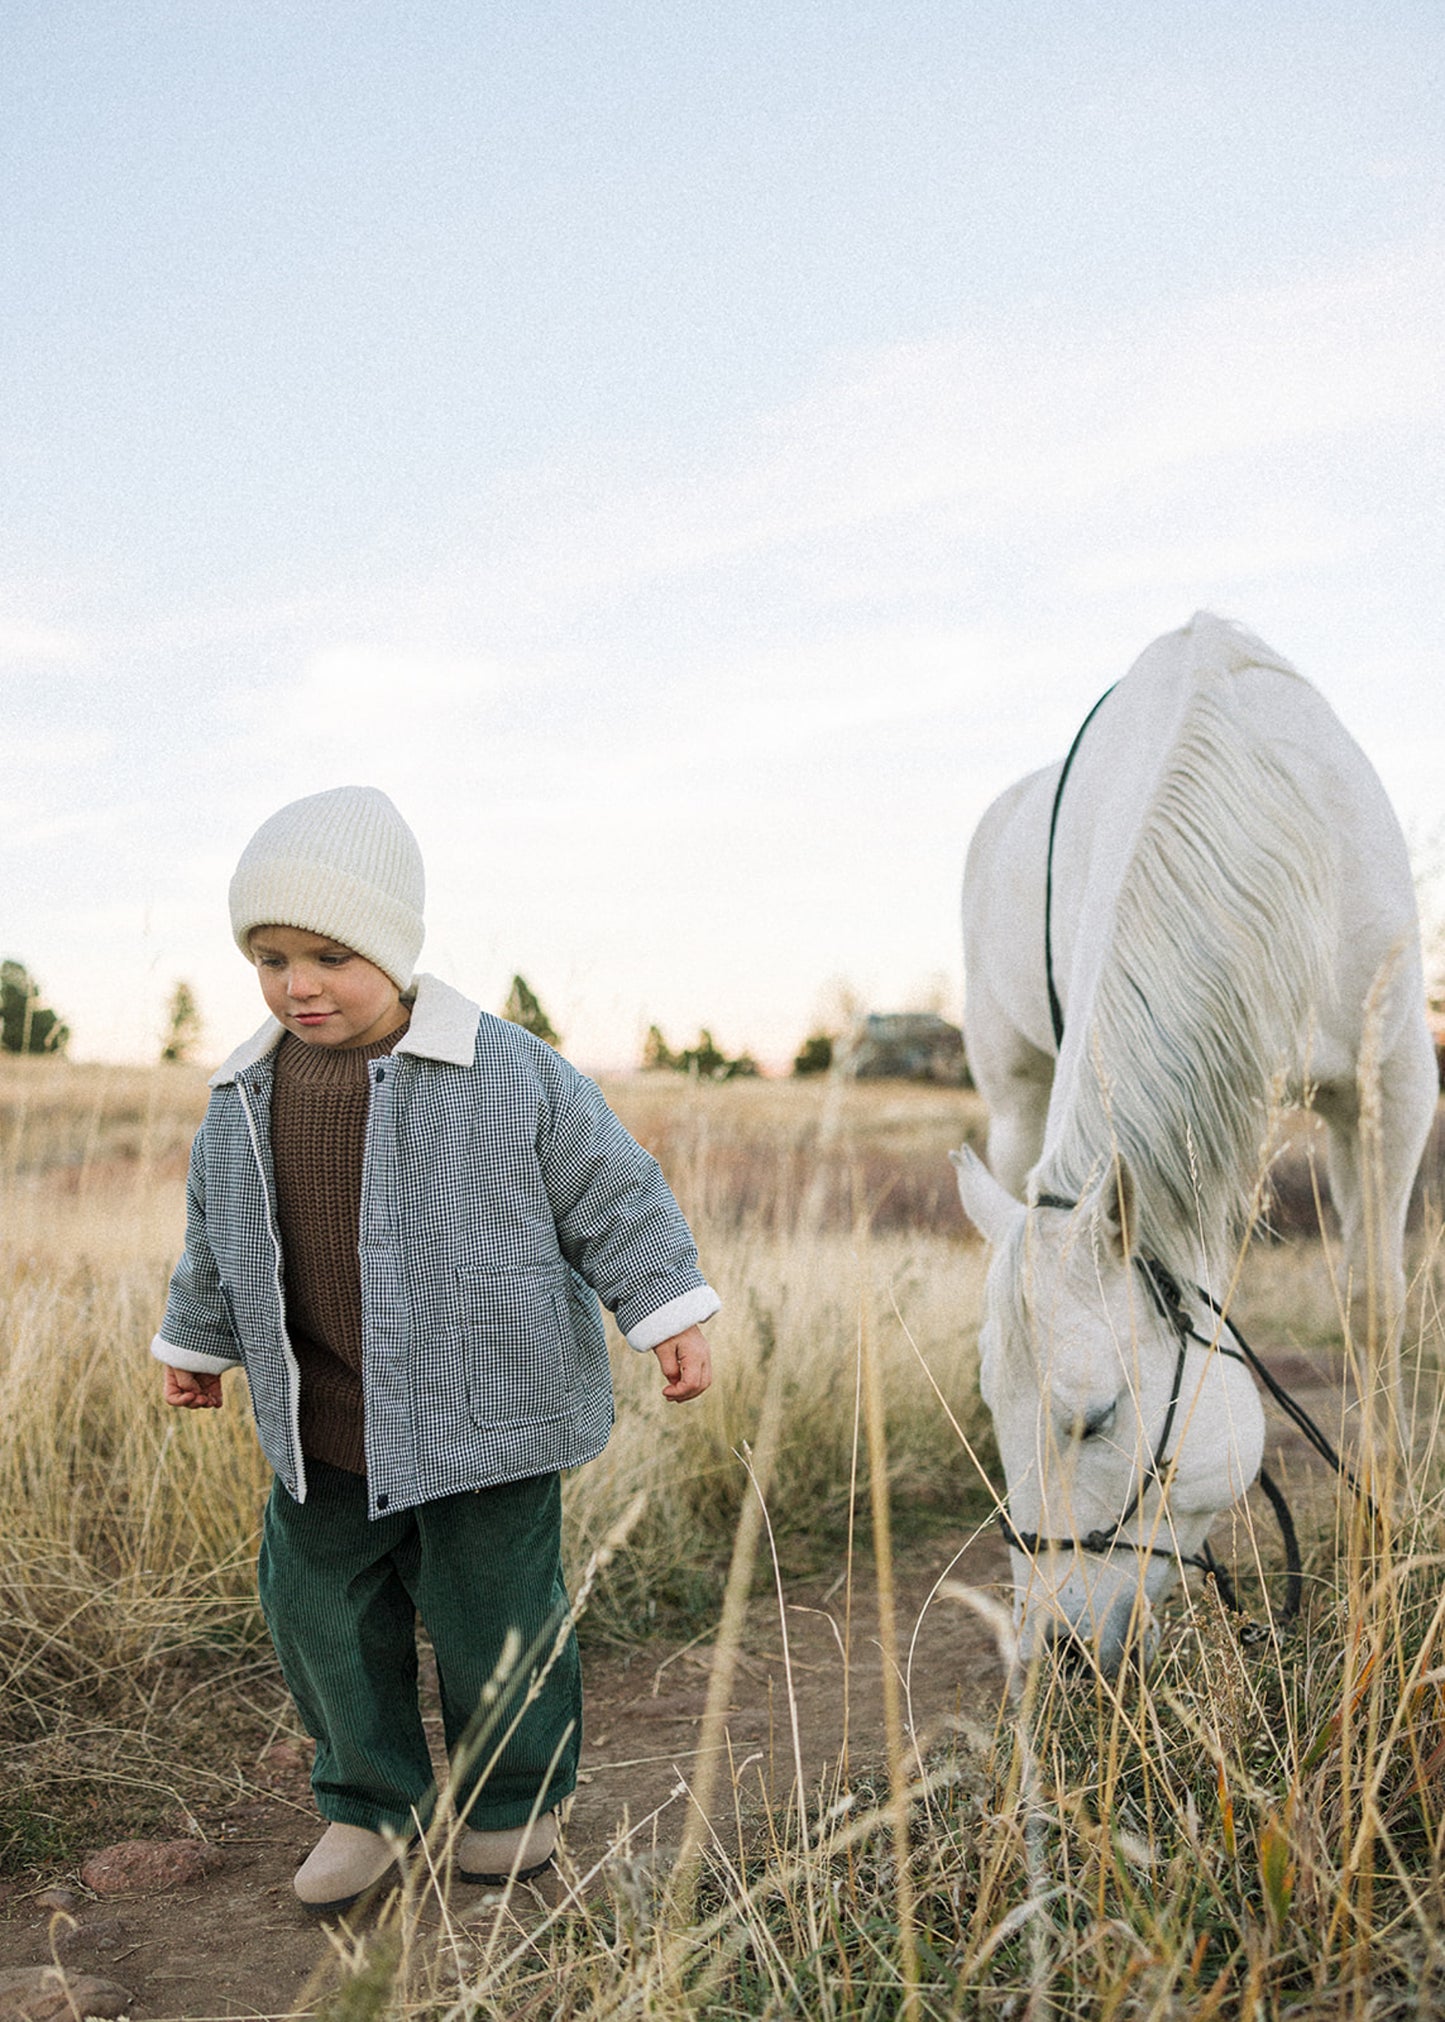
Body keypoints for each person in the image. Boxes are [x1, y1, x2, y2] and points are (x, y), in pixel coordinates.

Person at [152, 786, 718, 1914]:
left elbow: (612, 1193)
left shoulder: (507, 1073)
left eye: (328, 954)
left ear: (395, 949)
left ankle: (513, 1802)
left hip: (486, 1421)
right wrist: (196, 1340)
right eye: (269, 957)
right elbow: (217, 1233)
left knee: (495, 1618)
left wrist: (665, 1307)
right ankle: (368, 1803)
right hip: (322, 1426)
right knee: (317, 1616)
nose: (297, 984)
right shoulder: (241, 1092)